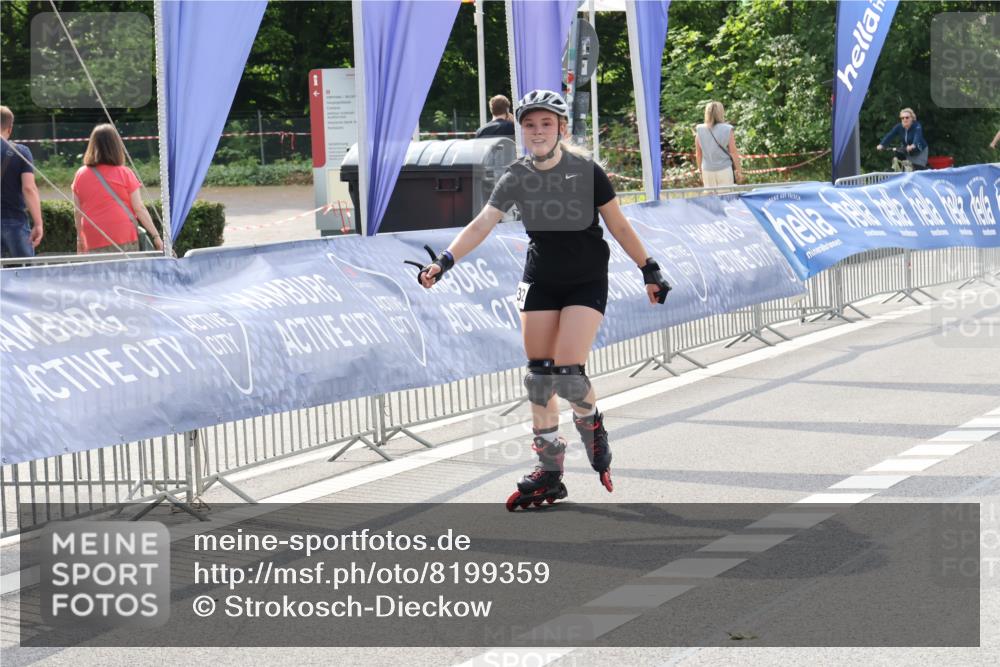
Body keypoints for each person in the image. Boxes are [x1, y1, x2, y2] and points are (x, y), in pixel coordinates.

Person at [409, 89, 671, 511]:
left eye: (546, 124)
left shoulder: (587, 171)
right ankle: (549, 469)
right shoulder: (517, 175)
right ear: (520, 130)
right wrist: (445, 261)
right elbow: (482, 224)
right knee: (538, 377)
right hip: (542, 279)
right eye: (529, 124)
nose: (537, 131)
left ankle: (591, 423)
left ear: (561, 128)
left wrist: (649, 268)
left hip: (586, 279)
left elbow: (619, 226)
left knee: (569, 374)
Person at [71, 123, 163, 254]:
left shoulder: (80, 174)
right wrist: (156, 236)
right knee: (126, 273)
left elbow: (77, 211)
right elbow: (139, 208)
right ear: (116, 146)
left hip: (92, 236)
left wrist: (79, 238)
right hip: (123, 234)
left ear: (92, 146)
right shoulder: (125, 173)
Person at [0, 105, 44, 258]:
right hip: (15, 222)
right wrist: (38, 223)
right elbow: (29, 188)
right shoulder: (21, 152)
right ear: (10, 128)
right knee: (26, 275)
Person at [694, 101, 743, 187]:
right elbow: (733, 152)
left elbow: (698, 154)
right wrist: (738, 170)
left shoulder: (699, 129)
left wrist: (700, 170)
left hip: (707, 170)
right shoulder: (727, 129)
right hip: (724, 169)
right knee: (726, 197)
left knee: (710, 199)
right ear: (721, 113)